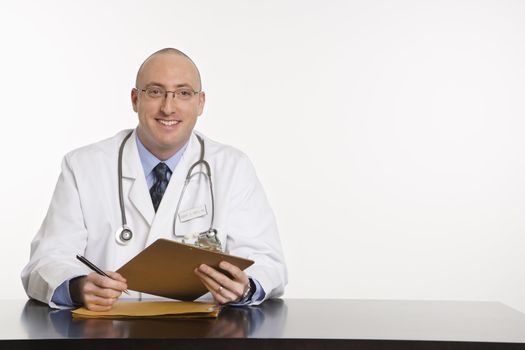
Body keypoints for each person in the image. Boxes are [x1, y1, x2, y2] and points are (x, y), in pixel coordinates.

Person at [21, 48, 287, 310]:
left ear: (200, 102)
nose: (168, 108)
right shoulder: (83, 166)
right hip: (108, 333)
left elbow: (267, 262)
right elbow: (46, 261)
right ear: (135, 99)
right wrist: (77, 287)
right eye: (155, 92)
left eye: (183, 93)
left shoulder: (232, 167)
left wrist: (246, 287)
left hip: (202, 336)